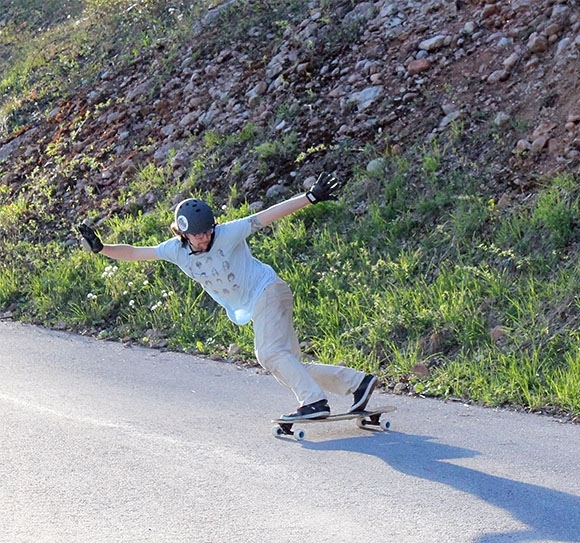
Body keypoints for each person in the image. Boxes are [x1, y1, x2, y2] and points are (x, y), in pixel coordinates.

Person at [77, 171, 378, 421]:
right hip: (259, 301)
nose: (205, 237)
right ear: (183, 234)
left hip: (268, 291)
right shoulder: (174, 251)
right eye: (198, 234)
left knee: (269, 355)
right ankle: (357, 383)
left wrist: (310, 197)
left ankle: (314, 402)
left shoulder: (228, 233)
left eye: (208, 231)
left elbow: (265, 217)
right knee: (289, 364)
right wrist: (102, 248)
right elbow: (134, 252)